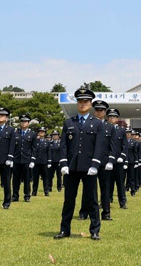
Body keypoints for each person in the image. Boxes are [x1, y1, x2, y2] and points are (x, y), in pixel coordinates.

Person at [55, 87, 106, 240]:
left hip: (89, 167)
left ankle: (95, 230)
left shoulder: (97, 124)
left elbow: (99, 146)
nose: (83, 104)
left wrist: (95, 165)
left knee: (92, 200)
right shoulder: (69, 122)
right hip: (71, 167)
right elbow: (63, 145)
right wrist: (63, 163)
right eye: (80, 101)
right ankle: (65, 229)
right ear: (77, 103)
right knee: (69, 200)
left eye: (86, 101)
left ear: (91, 104)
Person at [106, 109, 127, 209]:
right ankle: (106, 201)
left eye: (114, 116)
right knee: (107, 183)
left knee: (120, 183)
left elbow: (125, 146)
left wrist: (122, 157)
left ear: (117, 118)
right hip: (107, 161)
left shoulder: (121, 130)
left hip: (118, 161)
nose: (112, 118)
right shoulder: (104, 129)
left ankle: (122, 202)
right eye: (110, 116)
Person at [11, 114, 36, 202]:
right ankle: (15, 195)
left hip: (27, 159)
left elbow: (34, 148)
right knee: (15, 179)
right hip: (17, 159)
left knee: (26, 179)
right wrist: (11, 158)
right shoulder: (15, 133)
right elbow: (12, 146)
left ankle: (27, 195)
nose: (23, 123)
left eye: (25, 121)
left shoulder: (32, 134)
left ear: (28, 123)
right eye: (22, 121)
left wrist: (33, 159)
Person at [32, 127, 50, 197]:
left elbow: (49, 152)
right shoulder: (36, 141)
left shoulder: (47, 142)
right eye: (40, 131)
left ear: (45, 133)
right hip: (36, 162)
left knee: (45, 178)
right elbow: (33, 151)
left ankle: (46, 191)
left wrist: (49, 161)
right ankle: (34, 191)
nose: (41, 132)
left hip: (44, 162)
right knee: (35, 178)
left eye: (43, 131)